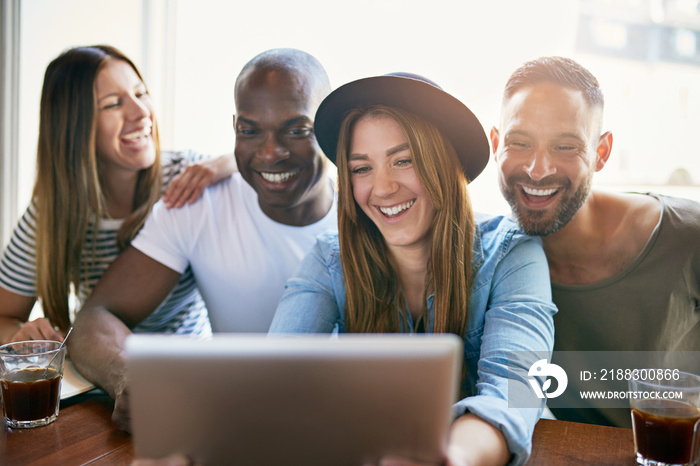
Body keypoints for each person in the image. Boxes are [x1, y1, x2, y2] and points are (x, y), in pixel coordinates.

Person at [269, 73, 556, 465]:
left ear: (442, 163)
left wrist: (450, 458)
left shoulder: (512, 253)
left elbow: (518, 389)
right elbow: (274, 379)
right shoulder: (329, 259)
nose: (383, 188)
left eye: (403, 161)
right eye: (361, 168)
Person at [69, 48, 338, 432]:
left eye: (297, 130)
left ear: (329, 127)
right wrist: (127, 376)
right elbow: (95, 317)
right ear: (234, 128)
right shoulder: (197, 206)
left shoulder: (370, 214)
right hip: (225, 428)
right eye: (250, 130)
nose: (270, 152)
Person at [490, 56, 700, 427]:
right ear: (495, 145)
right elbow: (512, 397)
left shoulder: (687, 236)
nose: (538, 169)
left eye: (565, 147)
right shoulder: (499, 268)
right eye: (520, 142)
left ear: (601, 152)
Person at [0, 45, 236, 345]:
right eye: (113, 104)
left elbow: (264, 166)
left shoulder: (185, 178)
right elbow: (4, 316)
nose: (141, 113)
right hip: (99, 377)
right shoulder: (51, 212)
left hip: (188, 370)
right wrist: (21, 334)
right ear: (74, 127)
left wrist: (227, 162)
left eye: (140, 93)